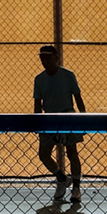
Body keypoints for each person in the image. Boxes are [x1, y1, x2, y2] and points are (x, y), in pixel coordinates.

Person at [33, 44, 87, 202]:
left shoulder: (68, 75)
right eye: (42, 58)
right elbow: (37, 104)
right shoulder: (39, 79)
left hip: (68, 118)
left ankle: (76, 188)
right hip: (48, 120)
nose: (45, 61)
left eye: (48, 58)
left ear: (56, 58)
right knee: (43, 154)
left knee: (72, 152)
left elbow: (78, 99)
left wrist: (84, 120)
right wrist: (39, 123)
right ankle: (62, 178)